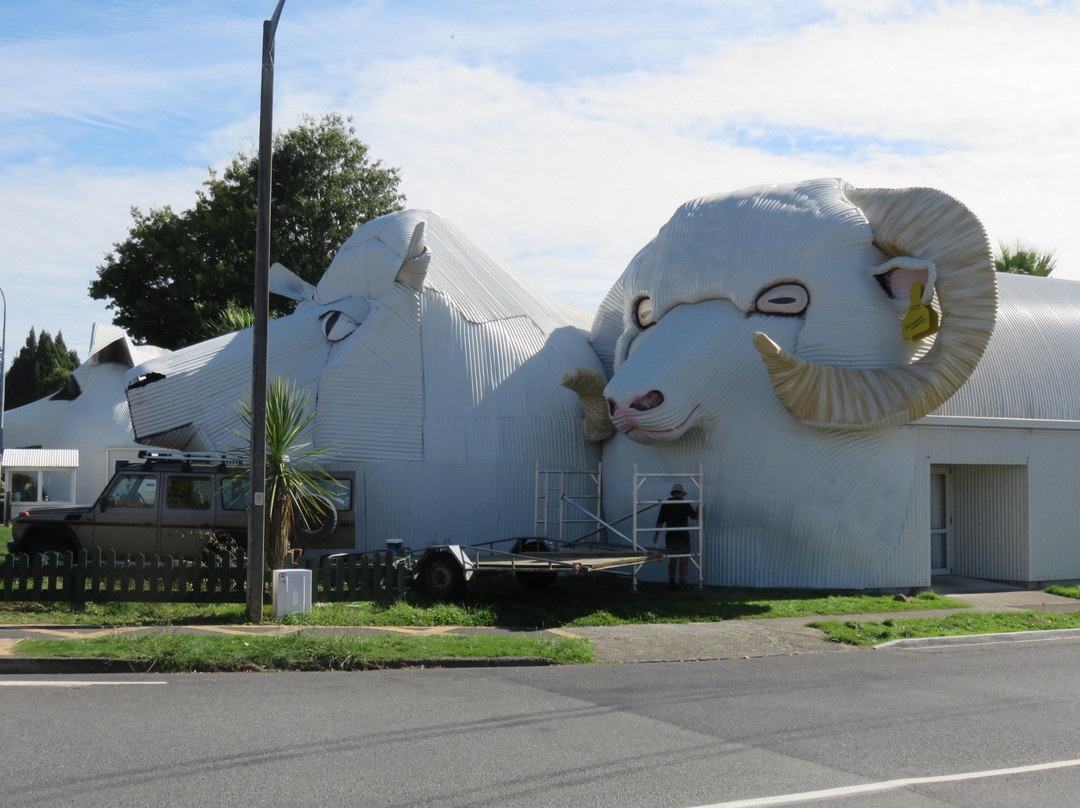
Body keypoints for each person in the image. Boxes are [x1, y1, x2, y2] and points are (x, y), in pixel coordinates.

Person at [653, 483, 699, 589]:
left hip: (671, 537)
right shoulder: (685, 504)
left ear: (673, 493)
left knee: (672, 559)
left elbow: (660, 521)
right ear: (681, 493)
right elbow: (696, 517)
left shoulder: (666, 504)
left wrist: (656, 535)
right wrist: (699, 510)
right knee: (684, 559)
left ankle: (672, 582)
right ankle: (682, 582)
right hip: (683, 537)